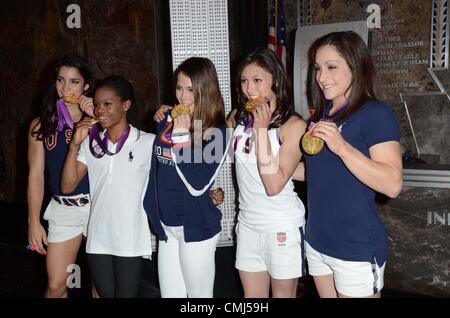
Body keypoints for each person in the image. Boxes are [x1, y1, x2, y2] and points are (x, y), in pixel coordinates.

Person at [302, 31, 402, 298]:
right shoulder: (324, 115)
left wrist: (342, 147)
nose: (321, 77)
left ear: (355, 66)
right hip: (317, 241)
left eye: (331, 67)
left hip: (354, 247)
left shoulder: (375, 113)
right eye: (318, 68)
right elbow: (321, 175)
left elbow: (392, 184)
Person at [60, 75, 154, 298]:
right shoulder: (91, 143)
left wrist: (208, 191)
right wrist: (74, 144)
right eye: (97, 104)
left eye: (107, 104)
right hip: (98, 238)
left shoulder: (147, 142)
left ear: (126, 105)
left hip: (130, 238)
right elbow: (67, 186)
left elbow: (173, 175)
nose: (99, 110)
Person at [143, 57, 230, 298]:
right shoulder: (167, 120)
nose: (183, 96)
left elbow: (198, 184)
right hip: (167, 228)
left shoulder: (217, 131)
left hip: (195, 227)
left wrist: (181, 135)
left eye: (191, 89)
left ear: (206, 90)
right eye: (179, 88)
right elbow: (159, 168)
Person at [231, 48, 307, 298]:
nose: (249, 89)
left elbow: (274, 186)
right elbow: (205, 128)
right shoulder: (239, 117)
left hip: (280, 224)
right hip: (248, 224)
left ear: (275, 80)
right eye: (244, 81)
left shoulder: (293, 126)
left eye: (257, 81)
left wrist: (261, 130)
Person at [27, 55, 95, 297]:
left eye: (74, 82)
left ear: (86, 86)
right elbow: (35, 176)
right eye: (60, 80)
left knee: (102, 285)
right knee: (55, 285)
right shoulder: (40, 124)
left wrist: (95, 115)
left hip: (98, 207)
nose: (65, 88)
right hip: (63, 209)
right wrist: (33, 222)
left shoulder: (99, 120)